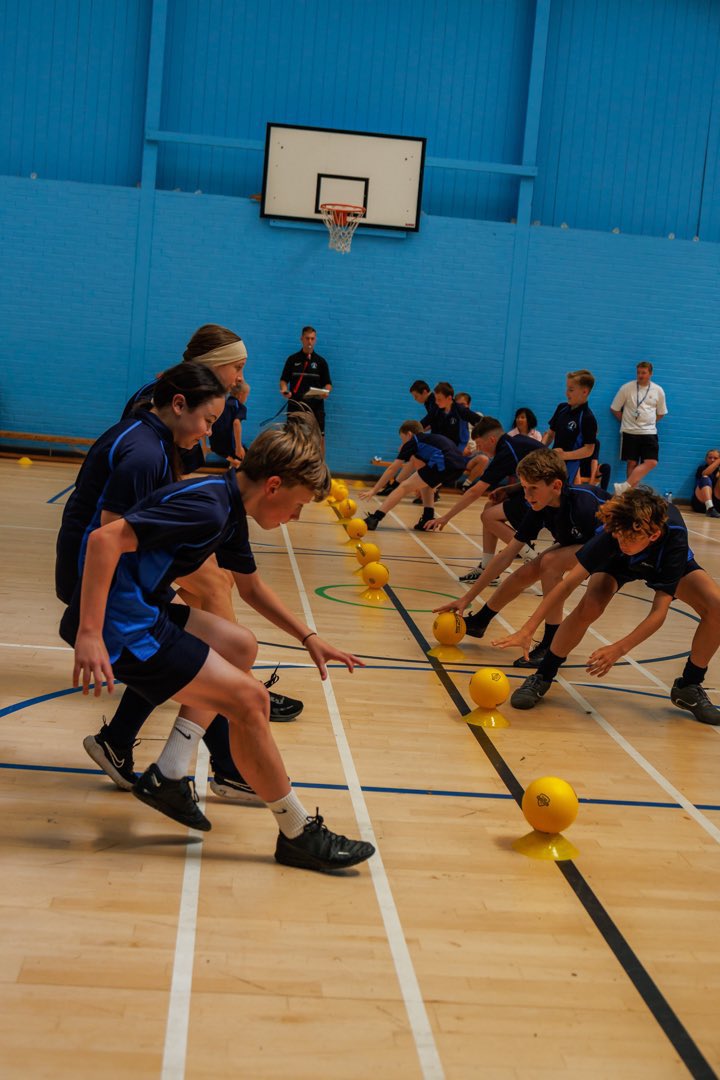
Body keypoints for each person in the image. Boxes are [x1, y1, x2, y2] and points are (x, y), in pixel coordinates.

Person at [60, 414, 376, 872]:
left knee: (239, 646)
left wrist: (309, 637)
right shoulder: (207, 506)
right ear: (273, 485)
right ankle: (297, 832)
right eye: (297, 504)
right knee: (250, 699)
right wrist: (90, 633)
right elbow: (104, 539)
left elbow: (251, 589)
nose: (294, 516)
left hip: (142, 611)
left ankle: (169, 774)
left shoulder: (228, 505)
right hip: (121, 627)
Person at [493, 488, 720, 725]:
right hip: (616, 564)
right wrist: (528, 627)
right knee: (589, 607)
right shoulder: (615, 535)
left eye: (628, 539)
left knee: (716, 606)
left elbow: (659, 612)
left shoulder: (673, 539)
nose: (622, 543)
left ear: (652, 535)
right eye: (618, 537)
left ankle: (689, 686)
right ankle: (543, 675)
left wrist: (618, 649)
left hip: (660, 561)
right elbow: (568, 584)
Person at [433, 449, 610, 667]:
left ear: (556, 486)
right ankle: (481, 620)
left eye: (533, 488)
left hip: (612, 546)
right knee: (525, 572)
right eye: (524, 488)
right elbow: (506, 555)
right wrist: (466, 598)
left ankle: (551, 642)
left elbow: (606, 545)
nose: (527, 495)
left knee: (551, 562)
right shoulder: (539, 507)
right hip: (580, 542)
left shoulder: (584, 505)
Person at [424, 417, 543, 582]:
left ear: (492, 439)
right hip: (540, 491)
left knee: (487, 517)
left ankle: (535, 560)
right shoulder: (514, 443)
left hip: (549, 499)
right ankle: (487, 567)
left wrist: (446, 517)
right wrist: (507, 490)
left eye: (480, 445)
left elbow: (475, 491)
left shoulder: (506, 451)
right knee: (490, 506)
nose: (479, 449)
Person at [360, 420, 466, 531]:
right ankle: (427, 519)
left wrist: (374, 490)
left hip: (445, 462)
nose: (403, 443)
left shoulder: (413, 442)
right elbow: (422, 470)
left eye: (402, 439)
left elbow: (392, 469)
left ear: (409, 434)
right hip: (459, 467)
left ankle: (375, 518)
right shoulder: (429, 441)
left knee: (403, 486)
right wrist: (419, 484)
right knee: (427, 485)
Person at [610, 360, 667, 494]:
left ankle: (624, 487)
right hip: (630, 432)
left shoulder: (658, 390)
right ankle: (631, 495)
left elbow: (661, 413)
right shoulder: (626, 388)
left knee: (652, 462)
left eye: (644, 373)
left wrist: (649, 422)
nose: (640, 375)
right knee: (631, 463)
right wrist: (627, 422)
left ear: (650, 374)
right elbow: (615, 409)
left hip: (649, 432)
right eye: (638, 372)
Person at [542, 370, 597, 484]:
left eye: (571, 390)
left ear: (584, 392)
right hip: (552, 461)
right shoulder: (562, 408)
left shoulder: (587, 417)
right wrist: (540, 450)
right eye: (567, 389)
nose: (567, 393)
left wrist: (564, 456)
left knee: (558, 496)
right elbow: (550, 434)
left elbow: (589, 450)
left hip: (568, 466)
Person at [279, 326, 332, 436]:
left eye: (312, 339)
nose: (310, 341)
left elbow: (328, 383)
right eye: (307, 338)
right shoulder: (292, 359)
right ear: (301, 339)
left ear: (315, 340)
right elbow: (283, 380)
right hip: (295, 404)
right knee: (292, 437)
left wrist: (326, 392)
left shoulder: (321, 362)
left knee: (319, 437)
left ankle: (319, 454)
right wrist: (284, 390)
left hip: (315, 406)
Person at [208, 379, 250, 467]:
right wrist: (238, 447)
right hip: (227, 444)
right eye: (247, 395)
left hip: (214, 443)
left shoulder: (223, 403)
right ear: (241, 395)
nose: (246, 398)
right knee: (247, 458)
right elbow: (236, 423)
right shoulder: (240, 407)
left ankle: (233, 466)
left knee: (235, 459)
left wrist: (204, 444)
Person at [691, 449, 720, 518]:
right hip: (701, 503)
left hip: (717, 504)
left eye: (715, 458)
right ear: (706, 459)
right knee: (705, 478)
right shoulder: (702, 468)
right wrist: (718, 461)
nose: (712, 460)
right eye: (710, 458)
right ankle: (710, 508)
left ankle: (712, 509)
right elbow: (705, 473)